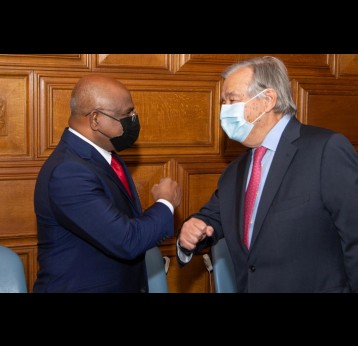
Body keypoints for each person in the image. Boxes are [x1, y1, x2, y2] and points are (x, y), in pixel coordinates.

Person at [177, 56, 358, 293]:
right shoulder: (234, 171)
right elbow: (210, 219)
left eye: (232, 100)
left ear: (268, 100)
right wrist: (191, 232)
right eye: (224, 102)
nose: (224, 110)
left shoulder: (325, 149)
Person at [33, 74, 182, 293]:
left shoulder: (105, 156)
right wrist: (165, 203)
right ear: (95, 119)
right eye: (126, 114)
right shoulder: (68, 172)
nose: (134, 119)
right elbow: (127, 241)